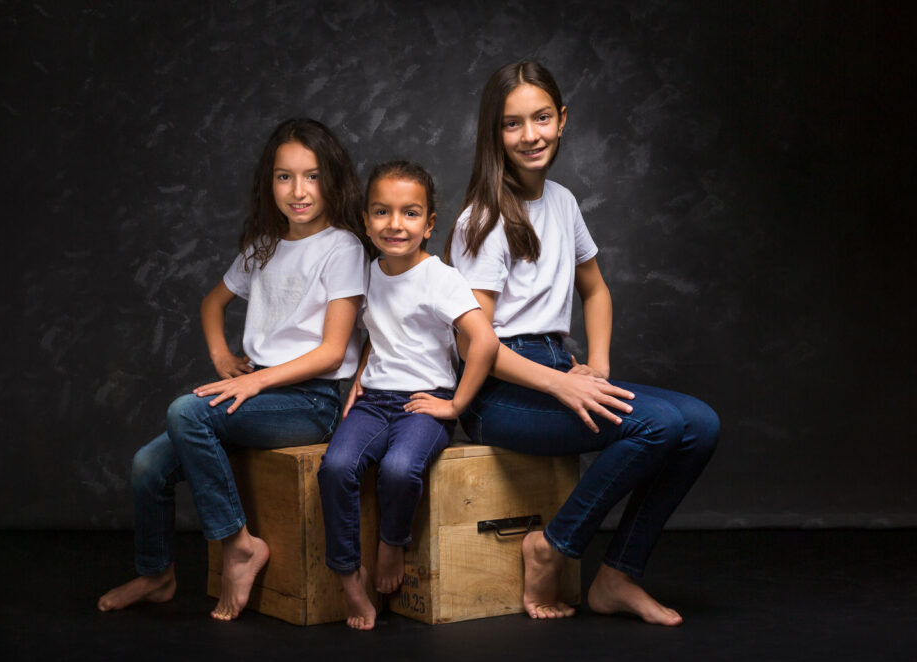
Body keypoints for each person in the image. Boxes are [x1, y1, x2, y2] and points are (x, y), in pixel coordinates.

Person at [447, 61, 719, 626]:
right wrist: (557, 383)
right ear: (493, 134)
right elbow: (474, 341)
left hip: (557, 366)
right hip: (498, 392)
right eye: (512, 124)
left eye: (542, 118)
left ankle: (616, 578)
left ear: (562, 119)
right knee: (658, 426)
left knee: (700, 424)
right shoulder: (483, 218)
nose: (530, 135)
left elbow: (595, 291)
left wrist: (596, 366)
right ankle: (552, 545)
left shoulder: (564, 202)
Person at [98, 118, 372, 621]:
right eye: (284, 177)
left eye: (312, 176)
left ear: (332, 178)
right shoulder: (263, 246)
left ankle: (238, 544)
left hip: (310, 400)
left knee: (187, 412)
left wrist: (254, 381)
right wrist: (224, 358)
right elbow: (212, 302)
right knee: (147, 467)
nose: (299, 191)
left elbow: (333, 352)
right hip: (260, 392)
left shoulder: (343, 247)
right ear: (269, 182)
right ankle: (157, 574)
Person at [317, 161, 498, 630]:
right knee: (336, 467)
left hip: (425, 402)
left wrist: (455, 404)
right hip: (375, 400)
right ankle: (347, 574)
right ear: (365, 219)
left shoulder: (440, 278)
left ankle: (391, 543)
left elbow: (485, 341)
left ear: (429, 223)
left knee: (399, 469)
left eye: (410, 213)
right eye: (381, 211)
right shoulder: (369, 272)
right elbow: (383, 332)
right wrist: (359, 375)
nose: (394, 224)